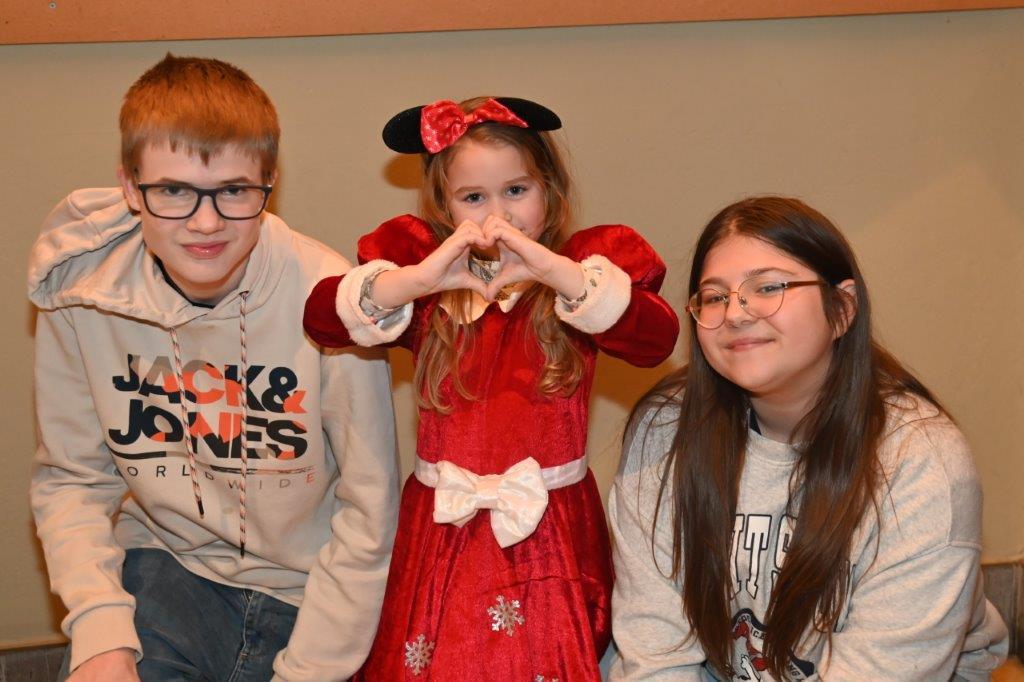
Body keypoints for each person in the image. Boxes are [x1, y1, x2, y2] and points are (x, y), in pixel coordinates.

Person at [28, 54, 399, 681]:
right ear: (130, 188)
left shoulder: (333, 302)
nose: (206, 222)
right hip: (168, 567)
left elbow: (370, 513)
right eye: (173, 190)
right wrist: (100, 632)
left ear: (269, 183)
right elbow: (72, 481)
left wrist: (309, 670)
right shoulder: (80, 292)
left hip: (315, 589)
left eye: (233, 190)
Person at [303, 96, 680, 680]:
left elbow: (656, 339)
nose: (498, 217)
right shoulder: (427, 286)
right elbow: (322, 319)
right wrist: (417, 281)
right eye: (473, 198)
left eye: (516, 191)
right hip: (440, 534)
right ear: (443, 205)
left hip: (549, 533)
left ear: (550, 190)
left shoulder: (580, 281)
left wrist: (557, 274)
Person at [608, 196, 1008, 680]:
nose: (735, 314)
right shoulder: (665, 429)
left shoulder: (920, 460)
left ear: (842, 309)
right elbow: (656, 655)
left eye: (768, 287)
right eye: (714, 297)